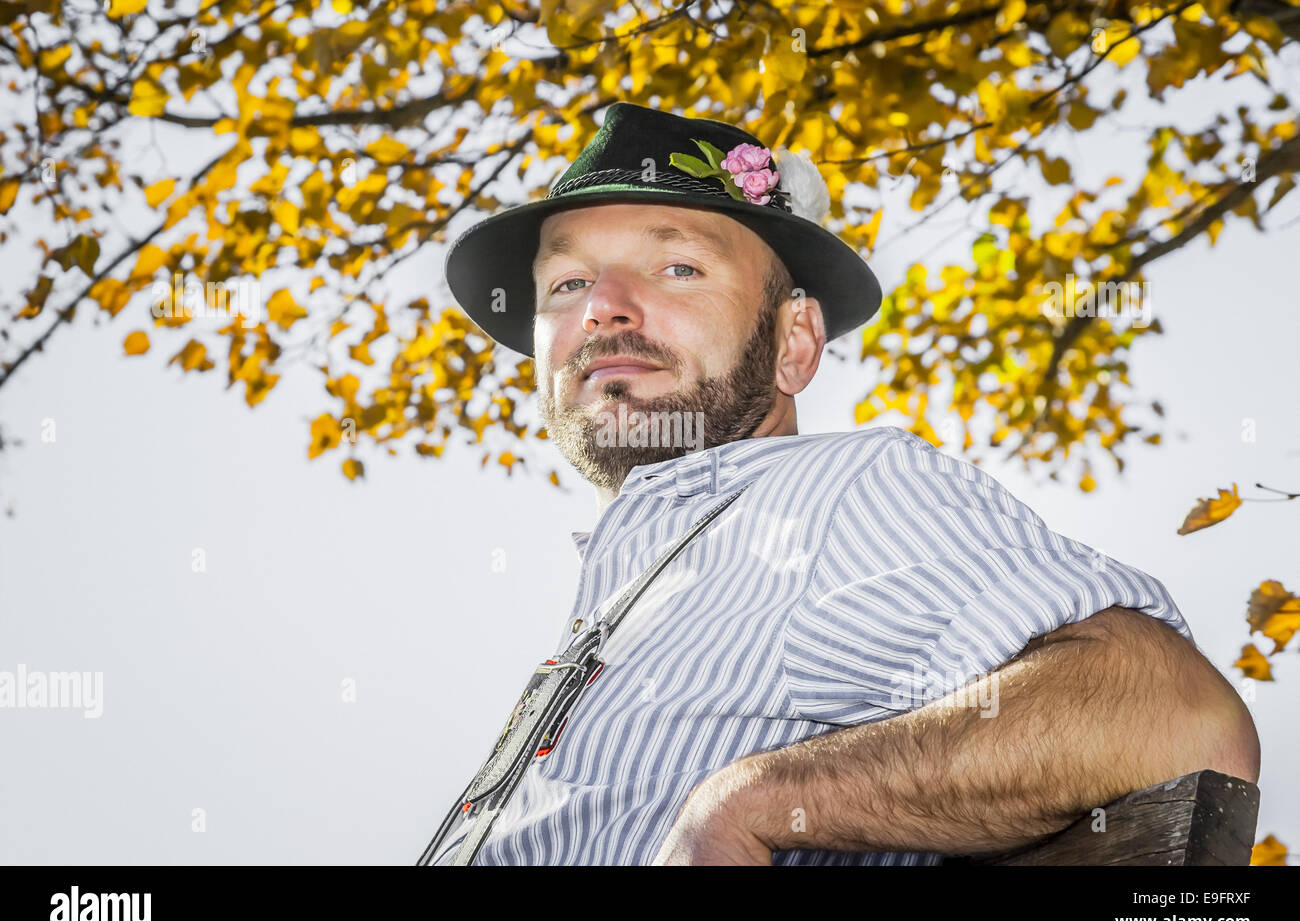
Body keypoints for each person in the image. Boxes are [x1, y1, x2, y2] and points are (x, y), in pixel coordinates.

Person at [429, 101, 1259, 865]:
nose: (604, 306)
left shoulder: (826, 498)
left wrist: (747, 806)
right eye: (569, 283)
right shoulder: (632, 583)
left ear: (795, 342)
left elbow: (1175, 716)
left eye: (678, 267)